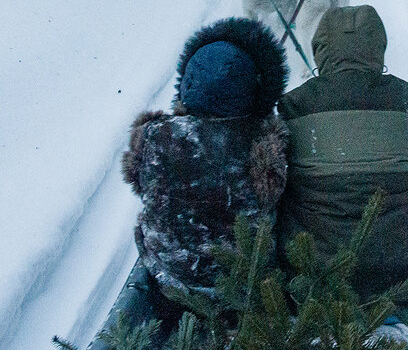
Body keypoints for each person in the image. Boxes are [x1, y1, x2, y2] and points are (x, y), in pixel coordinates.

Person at [122, 17, 289, 320]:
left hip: (168, 285)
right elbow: (273, 196)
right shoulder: (264, 144)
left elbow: (137, 181)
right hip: (241, 290)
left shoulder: (153, 135)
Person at [276, 4, 408, 299]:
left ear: (321, 49)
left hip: (316, 269)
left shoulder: (294, 105)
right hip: (404, 266)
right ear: (378, 47)